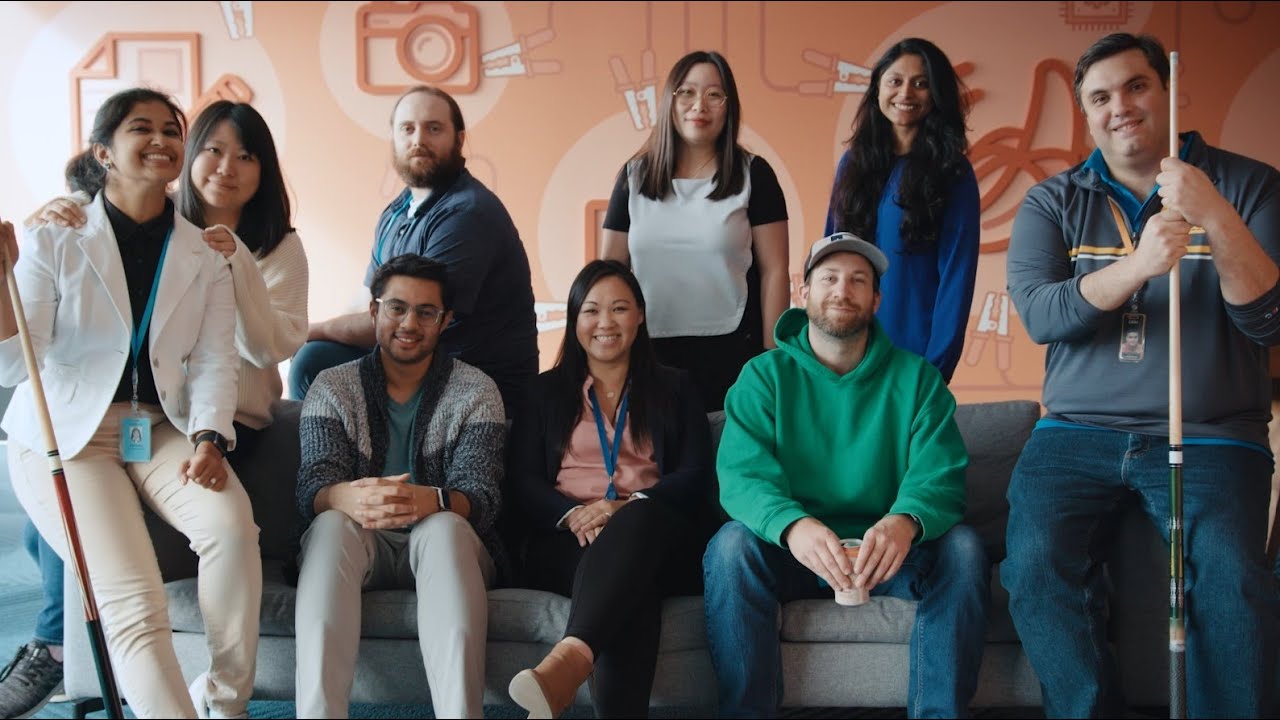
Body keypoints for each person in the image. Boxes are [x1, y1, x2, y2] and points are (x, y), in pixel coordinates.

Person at [1003, 32, 1280, 718]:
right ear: (1086, 115)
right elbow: (1042, 315)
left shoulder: (1251, 185)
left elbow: (1268, 321)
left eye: (1135, 87)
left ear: (1168, 91)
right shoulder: (1052, 201)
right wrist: (1137, 267)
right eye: (1100, 98)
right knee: (1034, 566)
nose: (1119, 107)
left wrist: (1212, 213)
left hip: (1211, 430)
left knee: (1231, 580)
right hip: (1076, 432)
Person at [13, 99, 310, 714]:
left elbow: (215, 360)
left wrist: (209, 437)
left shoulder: (206, 250)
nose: (161, 140)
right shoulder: (55, 235)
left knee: (233, 530)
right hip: (68, 432)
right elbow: (13, 365)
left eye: (171, 130)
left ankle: (226, 702)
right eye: (140, 129)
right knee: (133, 599)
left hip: (159, 426)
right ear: (103, 152)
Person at [702, 233, 989, 719]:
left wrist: (905, 522)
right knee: (731, 546)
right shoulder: (762, 376)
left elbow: (939, 474)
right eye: (829, 278)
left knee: (963, 548)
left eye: (858, 281)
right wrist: (793, 526)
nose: (842, 290)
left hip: (887, 553)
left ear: (876, 300)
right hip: (793, 552)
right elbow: (742, 476)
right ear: (804, 292)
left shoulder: (919, 380)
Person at [293, 253, 506, 718]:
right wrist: (348, 497)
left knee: (444, 527)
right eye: (397, 308)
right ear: (374, 312)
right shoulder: (331, 386)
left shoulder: (476, 391)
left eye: (426, 312)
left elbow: (482, 497)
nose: (409, 323)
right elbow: (314, 486)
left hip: (444, 548)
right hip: (359, 543)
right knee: (331, 524)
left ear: (445, 321)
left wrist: (427, 501)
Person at [506, 260, 713, 719]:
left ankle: (569, 660)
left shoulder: (675, 387)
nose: (605, 322)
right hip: (566, 537)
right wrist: (572, 515)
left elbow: (695, 472)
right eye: (591, 310)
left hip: (654, 530)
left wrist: (625, 507)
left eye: (619, 308)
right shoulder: (542, 393)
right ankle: (571, 665)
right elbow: (522, 480)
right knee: (631, 587)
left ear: (640, 315)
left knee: (637, 527)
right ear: (575, 319)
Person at [289, 85, 537, 411]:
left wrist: (310, 331)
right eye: (407, 129)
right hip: (417, 364)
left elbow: (406, 320)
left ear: (459, 139)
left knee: (315, 360)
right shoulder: (397, 211)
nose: (418, 140)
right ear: (393, 138)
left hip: (478, 387)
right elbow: (373, 303)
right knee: (317, 359)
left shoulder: (467, 213)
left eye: (433, 128)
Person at [601, 50, 789, 412]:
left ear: (729, 106)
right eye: (686, 92)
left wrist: (772, 359)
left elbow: (775, 270)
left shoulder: (754, 174)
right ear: (669, 101)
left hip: (733, 352)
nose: (699, 105)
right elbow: (610, 269)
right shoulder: (633, 177)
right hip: (648, 352)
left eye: (714, 94)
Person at [823, 37, 980, 383]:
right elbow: (830, 259)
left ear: (936, 94)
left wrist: (935, 369)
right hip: (845, 356)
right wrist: (823, 348)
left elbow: (957, 276)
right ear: (878, 89)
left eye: (921, 83)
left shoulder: (953, 173)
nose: (906, 93)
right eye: (895, 81)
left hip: (913, 360)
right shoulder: (852, 164)